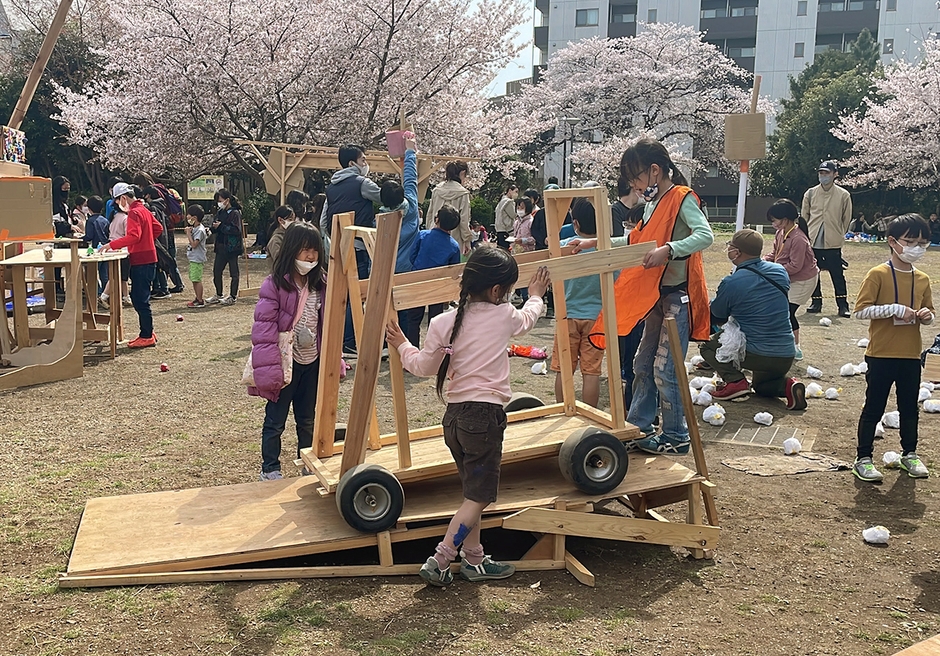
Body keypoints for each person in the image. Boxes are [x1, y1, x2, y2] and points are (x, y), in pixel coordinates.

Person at [385, 247, 551, 586]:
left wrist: (403, 344)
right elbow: (529, 317)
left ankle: (475, 560)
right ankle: (441, 558)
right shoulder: (504, 314)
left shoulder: (442, 322)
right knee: (480, 496)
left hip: (455, 419)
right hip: (484, 418)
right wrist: (535, 295)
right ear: (496, 291)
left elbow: (422, 366)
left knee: (471, 495)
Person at [571, 137, 713, 455]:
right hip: (654, 296)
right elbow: (635, 240)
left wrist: (670, 250)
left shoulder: (681, 197)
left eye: (636, 178)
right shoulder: (650, 205)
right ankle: (639, 426)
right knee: (643, 363)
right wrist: (594, 242)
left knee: (667, 367)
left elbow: (705, 235)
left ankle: (676, 435)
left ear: (655, 170)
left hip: (676, 297)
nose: (634, 185)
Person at [851, 214, 934, 482]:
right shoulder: (877, 274)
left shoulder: (922, 278)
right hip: (881, 353)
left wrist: (926, 315)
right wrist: (894, 309)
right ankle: (863, 457)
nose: (916, 248)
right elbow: (860, 312)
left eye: (922, 243)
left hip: (911, 354)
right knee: (874, 406)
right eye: (910, 241)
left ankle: (909, 453)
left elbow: (931, 311)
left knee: (909, 407)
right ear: (892, 242)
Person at [249, 222, 327, 481]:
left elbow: (329, 322)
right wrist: (270, 368)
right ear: (292, 249)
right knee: (275, 421)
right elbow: (264, 329)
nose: (310, 256)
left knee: (307, 420)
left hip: (311, 362)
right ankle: (270, 468)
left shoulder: (322, 284)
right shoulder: (274, 285)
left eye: (315, 250)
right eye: (305, 250)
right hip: (283, 363)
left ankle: (308, 463)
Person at [699, 229, 806, 410]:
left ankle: (735, 382)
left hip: (756, 353)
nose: (729, 250)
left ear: (737, 252)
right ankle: (788, 386)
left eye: (730, 246)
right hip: (785, 354)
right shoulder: (780, 271)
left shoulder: (732, 282)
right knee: (762, 387)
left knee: (708, 347)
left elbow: (717, 315)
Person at [320, 144, 382, 356]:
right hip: (358, 246)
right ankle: (349, 341)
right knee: (357, 295)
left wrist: (332, 241)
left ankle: (338, 339)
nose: (366, 164)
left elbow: (323, 220)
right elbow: (385, 198)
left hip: (338, 247)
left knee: (340, 294)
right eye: (363, 160)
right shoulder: (361, 183)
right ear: (352, 163)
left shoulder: (331, 188)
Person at [551, 198, 607, 408]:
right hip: (596, 318)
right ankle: (589, 416)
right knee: (591, 372)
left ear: (575, 224)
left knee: (563, 369)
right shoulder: (605, 249)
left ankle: (561, 410)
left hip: (567, 314)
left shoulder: (565, 247)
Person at [100, 183, 163, 348]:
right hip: (149, 257)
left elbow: (134, 236)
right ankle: (147, 332)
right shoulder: (144, 209)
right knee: (141, 297)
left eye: (117, 201)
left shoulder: (134, 212)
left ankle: (147, 335)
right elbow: (158, 228)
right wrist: (147, 240)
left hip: (141, 259)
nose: (117, 205)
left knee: (140, 299)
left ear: (123, 198)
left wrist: (111, 245)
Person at [764, 199, 819, 361]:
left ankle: (796, 348)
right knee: (780, 310)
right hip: (787, 277)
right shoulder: (781, 233)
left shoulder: (799, 239)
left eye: (774, 220)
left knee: (787, 312)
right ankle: (782, 343)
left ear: (785, 219)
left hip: (803, 280)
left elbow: (796, 266)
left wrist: (773, 269)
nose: (773, 223)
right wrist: (763, 261)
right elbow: (775, 255)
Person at [379, 133, 421, 332]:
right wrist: (410, 150)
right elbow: (411, 177)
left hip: (387, 270)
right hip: (408, 267)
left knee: (388, 309)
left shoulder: (380, 220)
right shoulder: (411, 207)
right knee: (406, 310)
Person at [405, 205, 462, 347]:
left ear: (437, 219)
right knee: (435, 318)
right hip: (438, 285)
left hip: (418, 279)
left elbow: (412, 256)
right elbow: (453, 271)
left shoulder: (423, 235)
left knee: (413, 319)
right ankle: (433, 349)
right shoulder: (454, 246)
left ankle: (412, 350)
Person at [802, 160, 852, 317]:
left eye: (827, 173)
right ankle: (816, 302)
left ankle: (843, 305)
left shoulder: (843, 195)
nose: (823, 176)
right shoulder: (810, 193)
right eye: (821, 173)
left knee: (837, 274)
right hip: (813, 237)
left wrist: (839, 233)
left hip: (833, 239)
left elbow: (846, 218)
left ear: (835, 174)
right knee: (813, 273)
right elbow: (805, 216)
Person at [427, 161, 472, 255]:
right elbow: (464, 220)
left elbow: (430, 214)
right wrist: (467, 241)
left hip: (434, 234)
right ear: (462, 173)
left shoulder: (436, 190)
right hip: (453, 238)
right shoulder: (463, 194)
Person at [207, 189, 244, 306]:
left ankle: (232, 296)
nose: (219, 203)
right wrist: (211, 229)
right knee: (217, 271)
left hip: (232, 247)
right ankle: (219, 294)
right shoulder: (220, 212)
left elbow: (236, 230)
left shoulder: (235, 213)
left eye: (220, 200)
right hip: (221, 246)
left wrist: (221, 226)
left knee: (234, 273)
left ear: (227, 200)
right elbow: (215, 225)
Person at [99, 203, 131, 309]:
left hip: (112, 249)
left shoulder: (113, 217)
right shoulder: (126, 218)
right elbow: (128, 236)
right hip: (122, 251)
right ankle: (103, 296)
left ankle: (126, 297)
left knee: (119, 276)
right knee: (118, 276)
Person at [83, 196, 111, 295]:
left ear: (89, 209)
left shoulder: (90, 221)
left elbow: (89, 236)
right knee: (105, 274)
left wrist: (81, 238)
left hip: (94, 249)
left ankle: (97, 293)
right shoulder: (105, 220)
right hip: (105, 248)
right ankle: (105, 293)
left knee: (92, 273)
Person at [184, 205, 208, 308]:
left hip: (197, 258)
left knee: (197, 279)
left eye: (189, 216)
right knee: (194, 278)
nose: (187, 217)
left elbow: (194, 244)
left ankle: (200, 299)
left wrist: (188, 234)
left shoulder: (200, 230)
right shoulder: (195, 228)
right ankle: (197, 297)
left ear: (195, 217)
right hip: (193, 258)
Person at [494, 184, 518, 249]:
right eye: (516, 191)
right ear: (510, 191)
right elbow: (513, 215)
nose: (516, 194)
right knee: (506, 250)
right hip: (506, 230)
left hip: (499, 229)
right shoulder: (509, 201)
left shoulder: (501, 201)